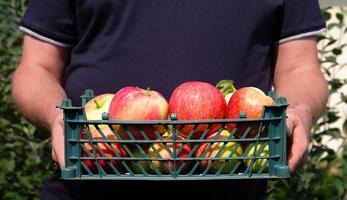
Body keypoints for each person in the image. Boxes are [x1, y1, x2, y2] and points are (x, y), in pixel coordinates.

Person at [12, 0, 328, 199]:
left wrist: (299, 111)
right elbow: (36, 68)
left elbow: (300, 66)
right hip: (87, 184)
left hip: (230, 186)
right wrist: (59, 119)